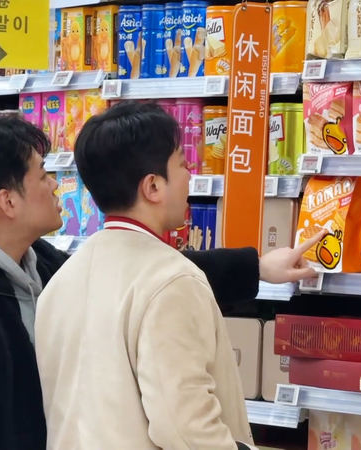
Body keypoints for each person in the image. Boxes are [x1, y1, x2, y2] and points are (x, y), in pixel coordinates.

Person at [0, 114, 318, 450]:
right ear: (8, 201)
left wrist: (257, 267)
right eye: (42, 174)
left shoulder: (41, 267)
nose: (55, 183)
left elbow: (137, 277)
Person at [36, 102, 321, 450]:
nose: (190, 174)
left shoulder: (60, 281)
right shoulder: (172, 282)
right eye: (183, 164)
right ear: (153, 186)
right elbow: (185, 429)